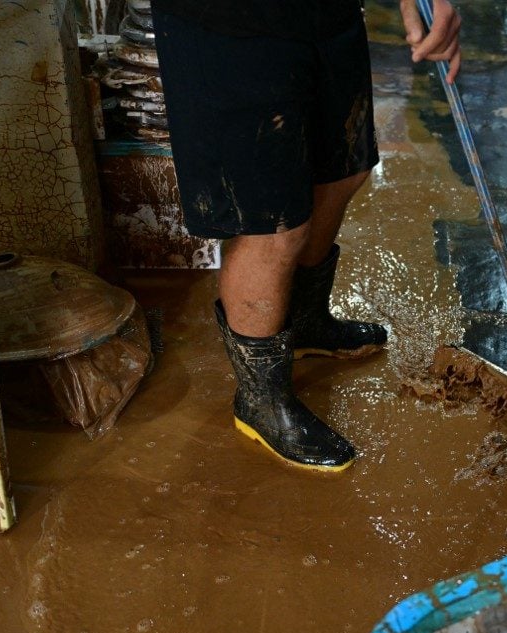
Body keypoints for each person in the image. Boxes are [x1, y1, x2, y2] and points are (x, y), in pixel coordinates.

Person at [151, 1, 461, 472]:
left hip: (326, 13)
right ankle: (262, 403)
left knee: (342, 172)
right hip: (229, 25)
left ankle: (306, 320)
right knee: (272, 222)